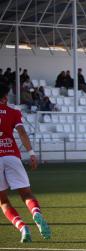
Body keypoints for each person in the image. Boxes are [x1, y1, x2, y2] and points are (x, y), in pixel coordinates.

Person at [0, 85, 51, 242]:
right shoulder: (13, 112)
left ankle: (23, 228)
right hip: (11, 156)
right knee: (26, 194)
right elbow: (21, 132)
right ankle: (36, 213)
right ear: (5, 98)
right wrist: (31, 153)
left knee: (3, 201)